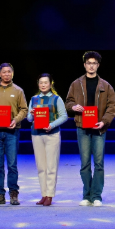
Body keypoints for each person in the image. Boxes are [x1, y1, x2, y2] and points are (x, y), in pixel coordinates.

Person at [65, 51, 115, 206]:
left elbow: (112, 106)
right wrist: (73, 107)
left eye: (94, 63)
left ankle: (96, 196)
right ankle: (87, 195)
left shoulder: (106, 86)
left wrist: (104, 122)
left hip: (99, 128)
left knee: (99, 163)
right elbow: (68, 102)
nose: (91, 66)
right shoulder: (76, 84)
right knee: (85, 163)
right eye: (89, 63)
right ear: (85, 65)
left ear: (98, 65)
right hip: (82, 127)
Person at [0, 63, 28, 205]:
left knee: (12, 164)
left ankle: (13, 193)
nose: (6, 74)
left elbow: (24, 109)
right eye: (4, 72)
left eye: (9, 72)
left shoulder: (18, 90)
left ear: (12, 73)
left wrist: (16, 120)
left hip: (12, 130)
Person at [26, 74, 68, 206]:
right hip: (36, 135)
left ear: (50, 84)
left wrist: (52, 125)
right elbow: (29, 119)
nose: (43, 85)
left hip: (52, 135)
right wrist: (31, 114)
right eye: (41, 82)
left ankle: (50, 195)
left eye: (46, 82)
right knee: (41, 167)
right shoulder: (34, 99)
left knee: (51, 166)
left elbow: (64, 116)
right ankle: (43, 194)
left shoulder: (56, 99)